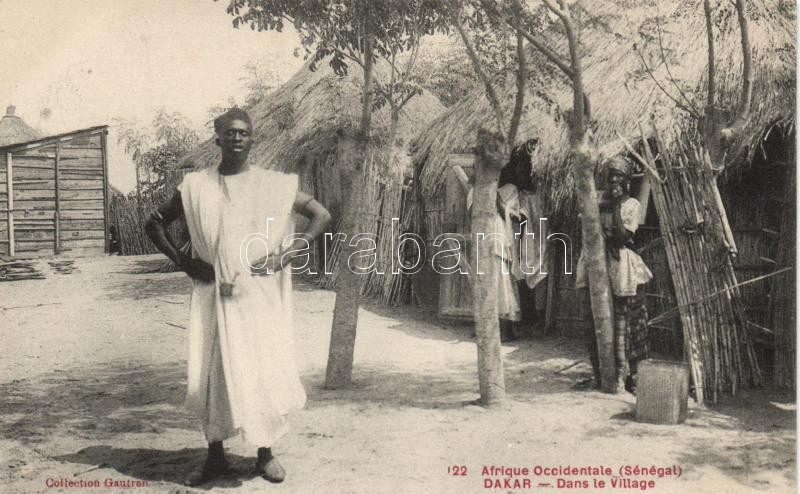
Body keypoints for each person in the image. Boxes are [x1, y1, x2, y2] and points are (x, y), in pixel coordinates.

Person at [145, 108, 331, 486]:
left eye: (243, 133)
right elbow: (154, 222)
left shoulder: (272, 185)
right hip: (212, 293)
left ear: (252, 139)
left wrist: (288, 253)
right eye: (229, 132)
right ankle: (215, 456)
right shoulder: (196, 186)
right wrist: (183, 261)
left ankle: (265, 454)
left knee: (262, 366)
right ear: (217, 139)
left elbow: (320, 215)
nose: (236, 138)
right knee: (213, 373)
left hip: (258, 294)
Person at [575, 156, 653, 392]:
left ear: (627, 181)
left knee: (626, 322)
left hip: (621, 267)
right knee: (595, 321)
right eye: (611, 176)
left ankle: (628, 377)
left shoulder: (631, 206)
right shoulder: (596, 200)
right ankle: (601, 374)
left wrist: (616, 206)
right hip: (597, 263)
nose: (614, 180)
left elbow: (622, 237)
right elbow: (588, 229)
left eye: (619, 176)